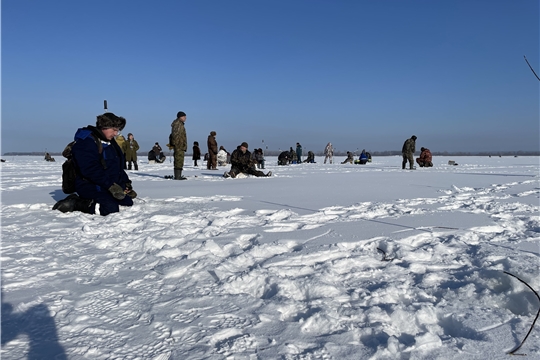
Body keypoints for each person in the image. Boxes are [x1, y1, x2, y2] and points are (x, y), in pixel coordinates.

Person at [53, 112, 136, 216]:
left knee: (127, 202)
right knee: (109, 208)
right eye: (114, 130)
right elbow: (89, 169)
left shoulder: (111, 143)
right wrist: (111, 186)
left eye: (117, 130)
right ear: (104, 127)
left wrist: (125, 184)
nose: (116, 133)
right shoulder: (86, 142)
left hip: (106, 184)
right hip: (89, 184)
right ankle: (75, 203)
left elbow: (117, 167)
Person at [169, 111, 188, 180]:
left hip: (180, 145)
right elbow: (175, 135)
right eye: (184, 117)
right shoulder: (178, 125)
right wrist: (178, 144)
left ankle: (179, 175)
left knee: (180, 160)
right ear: (180, 117)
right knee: (178, 160)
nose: (185, 118)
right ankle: (177, 176)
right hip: (179, 146)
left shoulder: (180, 124)